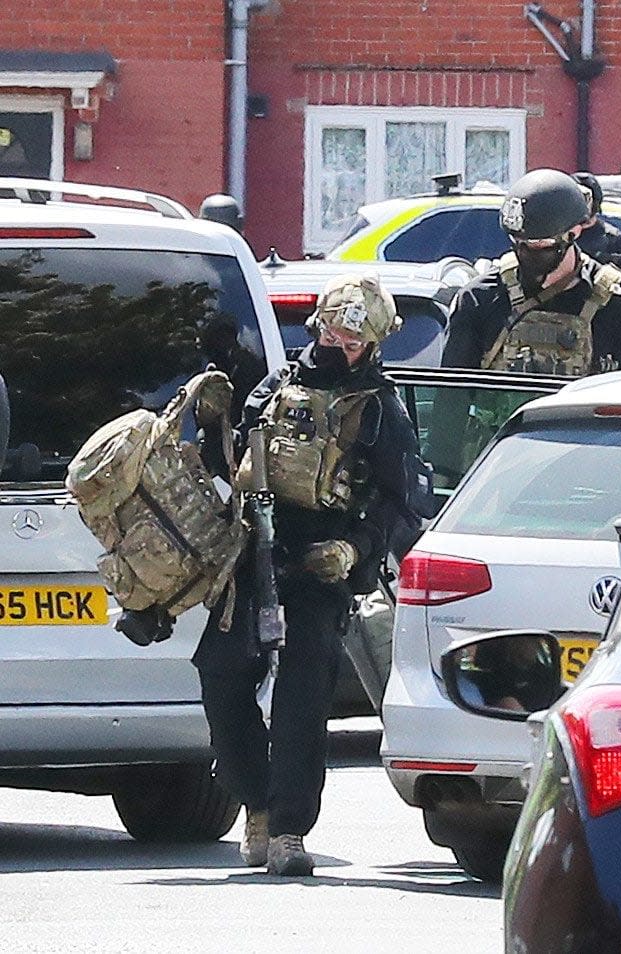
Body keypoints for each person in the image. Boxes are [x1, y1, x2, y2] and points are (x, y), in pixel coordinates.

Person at [193, 272, 425, 877]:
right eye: (330, 330)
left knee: (303, 694)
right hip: (255, 552)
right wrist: (212, 423)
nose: (336, 345)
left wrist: (355, 550)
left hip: (324, 561)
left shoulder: (383, 411)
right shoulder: (273, 390)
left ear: (373, 344)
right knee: (220, 672)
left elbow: (403, 505)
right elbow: (232, 465)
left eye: (352, 340)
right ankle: (257, 803)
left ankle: (290, 829)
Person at [441, 167, 621, 376]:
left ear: (573, 233)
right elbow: (450, 401)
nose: (525, 251)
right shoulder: (479, 299)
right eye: (518, 242)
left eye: (538, 243)